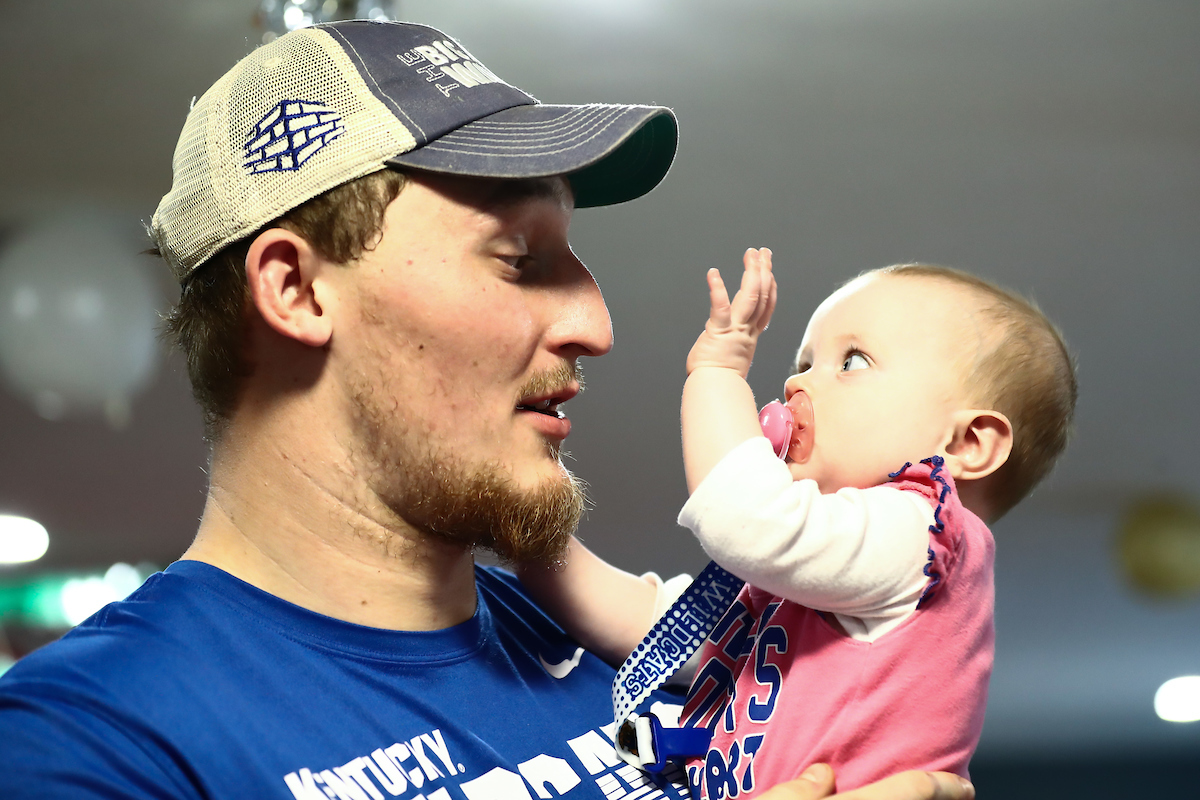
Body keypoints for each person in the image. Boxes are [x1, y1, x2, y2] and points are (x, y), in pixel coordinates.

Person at [0, 20, 976, 800]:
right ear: (296, 288)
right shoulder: (85, 741)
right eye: (520, 259)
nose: (596, 321)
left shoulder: (611, 648)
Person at [520, 249, 1076, 796]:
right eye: (803, 363)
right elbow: (662, 633)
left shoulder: (923, 534)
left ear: (967, 444)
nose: (796, 384)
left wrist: (717, 374)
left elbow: (746, 520)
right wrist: (535, 545)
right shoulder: (820, 574)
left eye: (852, 361)